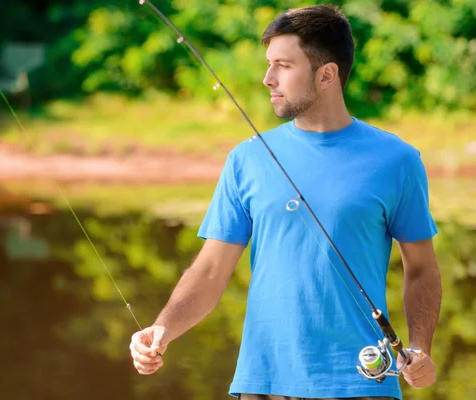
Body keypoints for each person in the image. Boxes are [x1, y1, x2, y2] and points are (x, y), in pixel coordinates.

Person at [129, 4, 442, 400]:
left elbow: (422, 268)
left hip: (361, 386)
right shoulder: (247, 159)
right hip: (262, 384)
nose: (267, 79)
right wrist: (164, 327)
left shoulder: (397, 160)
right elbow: (210, 270)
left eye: (283, 65)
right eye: (268, 64)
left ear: (326, 74)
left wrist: (419, 347)